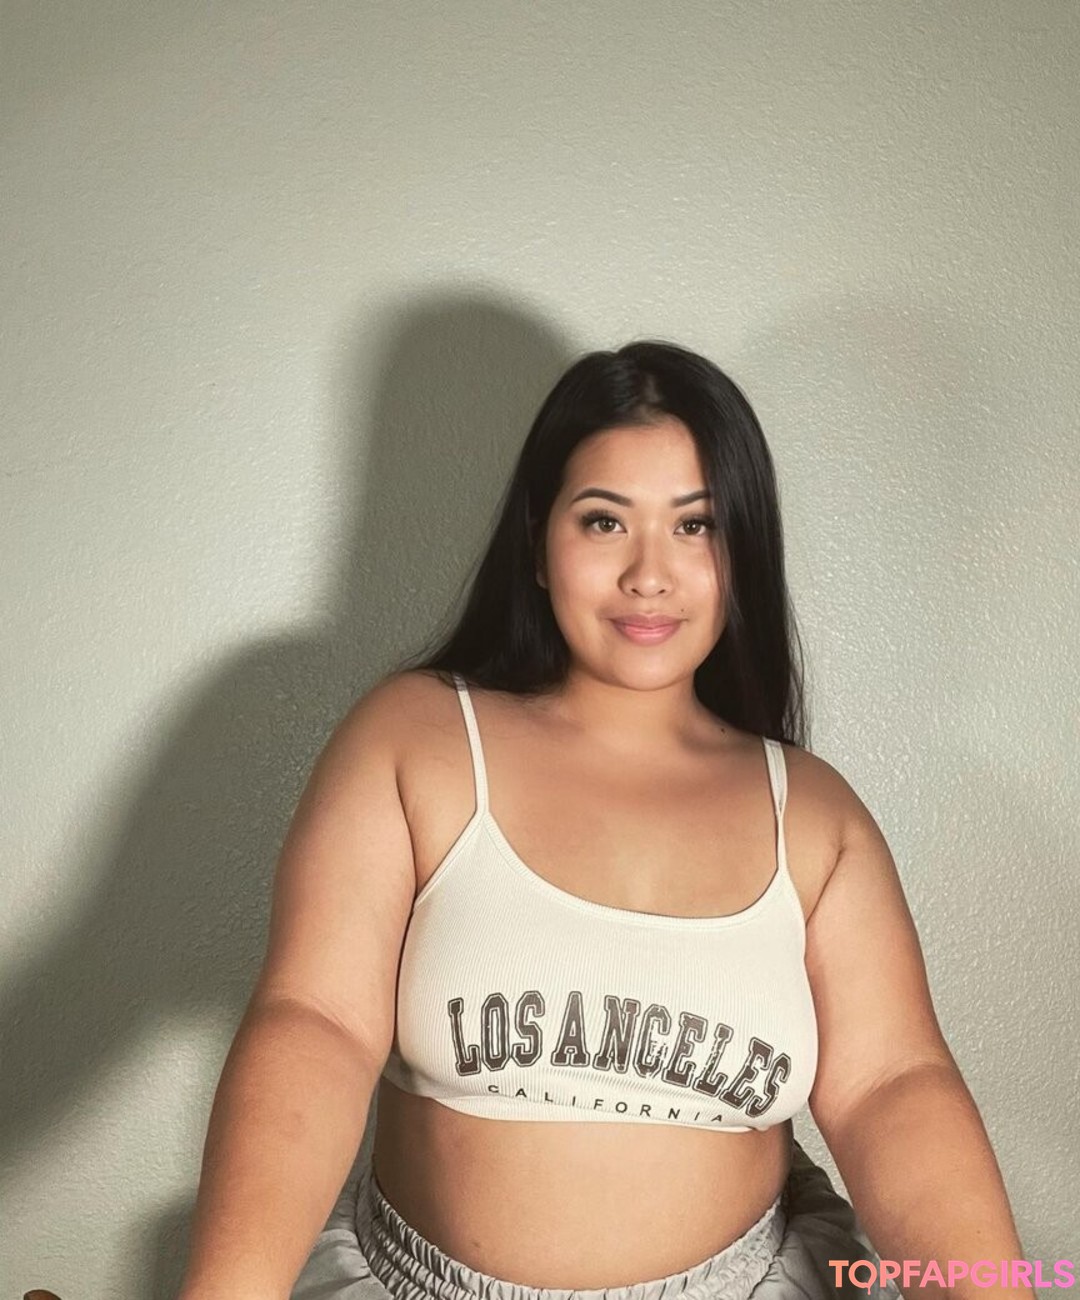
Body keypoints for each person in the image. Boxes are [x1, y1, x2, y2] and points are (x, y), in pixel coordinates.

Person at [176, 341, 1031, 1300]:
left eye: (696, 526)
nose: (648, 575)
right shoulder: (417, 738)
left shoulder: (816, 815)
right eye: (604, 521)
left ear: (743, 551)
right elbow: (317, 1021)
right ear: (539, 542)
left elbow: (892, 1087)